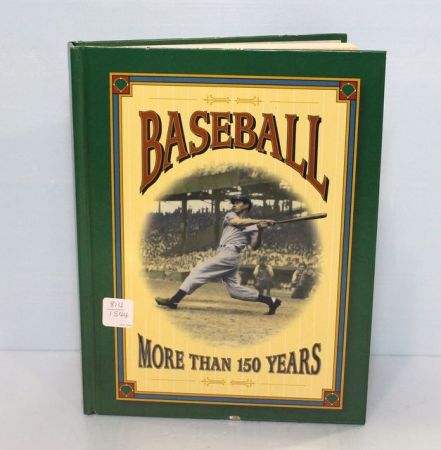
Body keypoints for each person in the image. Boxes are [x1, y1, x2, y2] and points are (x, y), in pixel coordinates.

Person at [155, 196, 282, 315]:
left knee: (198, 270)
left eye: (238, 202)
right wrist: (261, 221)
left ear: (246, 205)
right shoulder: (231, 215)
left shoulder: (254, 226)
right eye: (234, 203)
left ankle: (174, 300)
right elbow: (238, 222)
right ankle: (271, 301)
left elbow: (254, 246)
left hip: (231, 254)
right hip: (224, 254)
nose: (234, 205)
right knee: (235, 291)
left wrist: (260, 230)